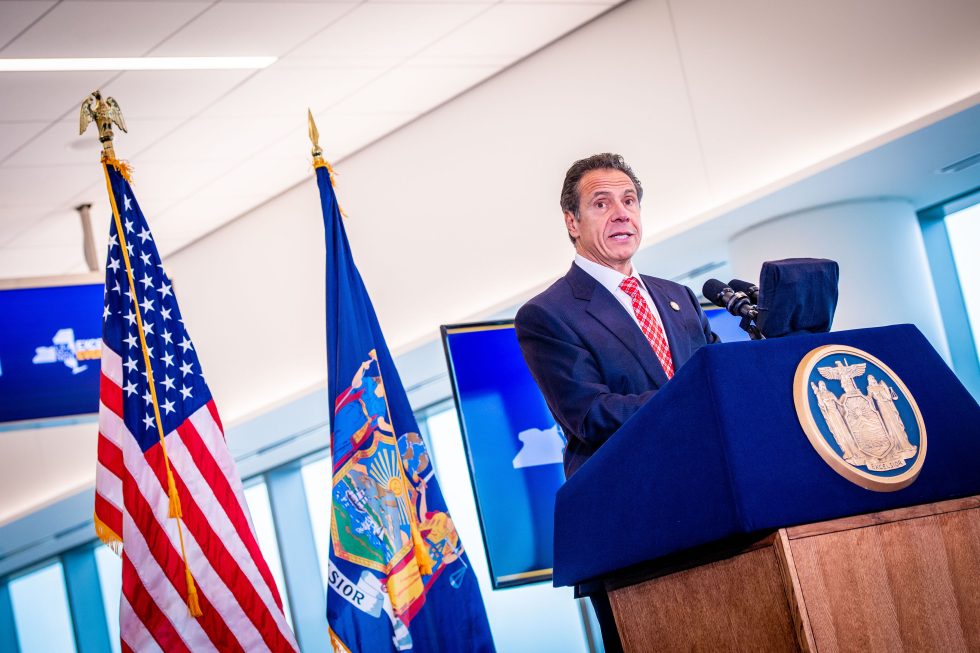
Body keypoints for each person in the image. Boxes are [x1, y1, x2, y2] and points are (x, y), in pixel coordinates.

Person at [514, 153, 719, 652]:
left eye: (629, 201)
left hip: (714, 509)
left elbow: (721, 382)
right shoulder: (548, 314)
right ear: (572, 222)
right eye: (602, 203)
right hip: (632, 525)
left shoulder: (679, 297)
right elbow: (590, 413)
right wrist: (692, 399)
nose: (622, 213)